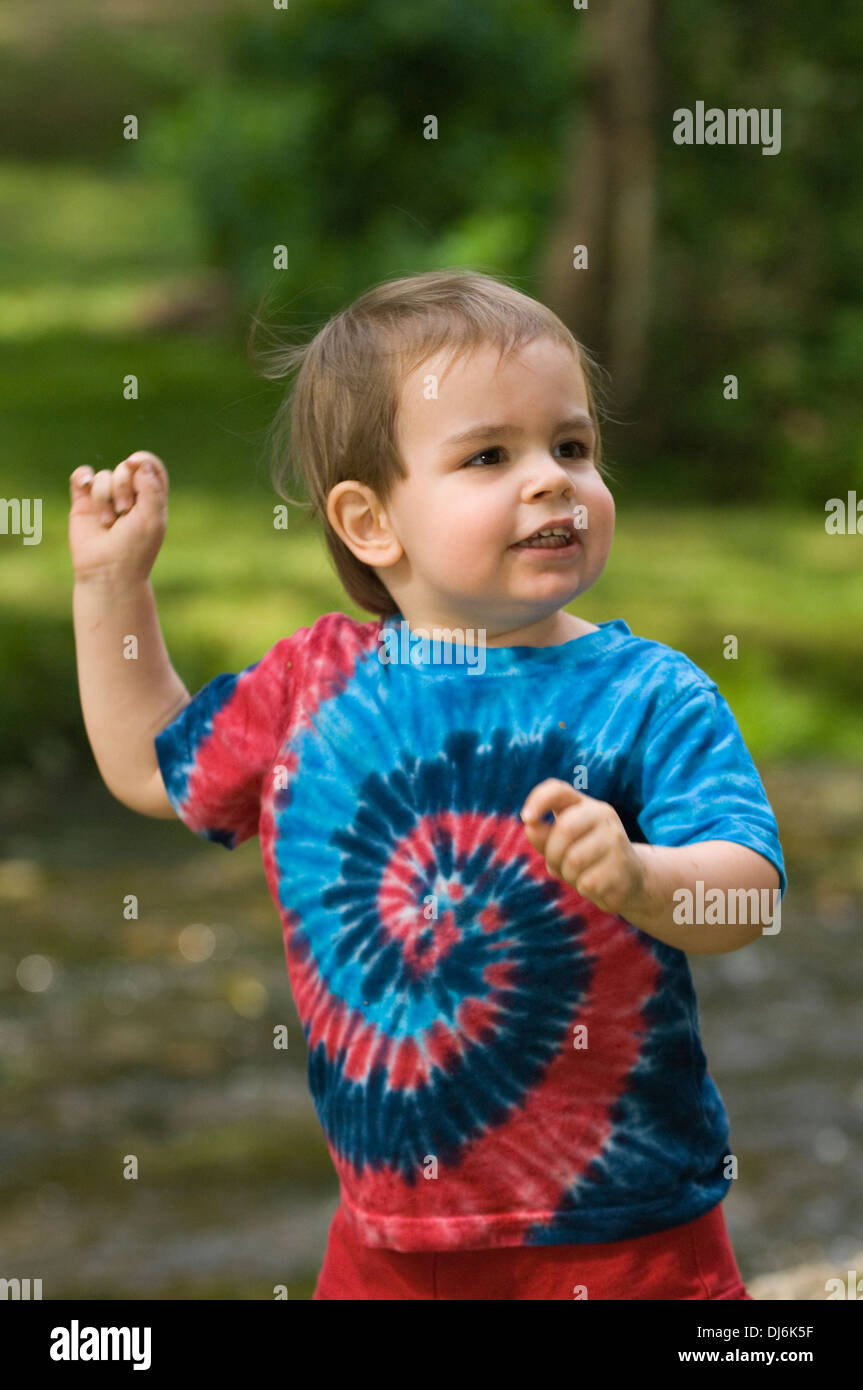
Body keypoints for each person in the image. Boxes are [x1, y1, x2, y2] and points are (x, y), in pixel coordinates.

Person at [68, 269, 786, 1300]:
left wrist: (639, 876)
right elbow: (149, 763)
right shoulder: (310, 686)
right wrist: (110, 586)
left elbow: (745, 893)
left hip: (624, 1235)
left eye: (571, 446)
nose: (550, 480)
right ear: (369, 521)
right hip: (388, 1246)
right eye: (490, 454)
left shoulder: (645, 696)